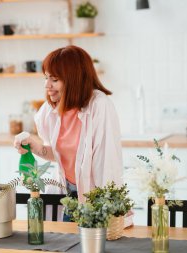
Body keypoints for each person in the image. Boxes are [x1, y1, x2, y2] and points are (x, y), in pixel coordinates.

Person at [14, 45, 123, 203]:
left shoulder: (99, 105)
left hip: (94, 199)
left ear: (74, 79)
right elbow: (60, 156)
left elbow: (106, 165)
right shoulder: (49, 109)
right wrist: (34, 146)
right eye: (46, 77)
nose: (47, 85)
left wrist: (108, 211)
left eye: (55, 79)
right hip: (64, 193)